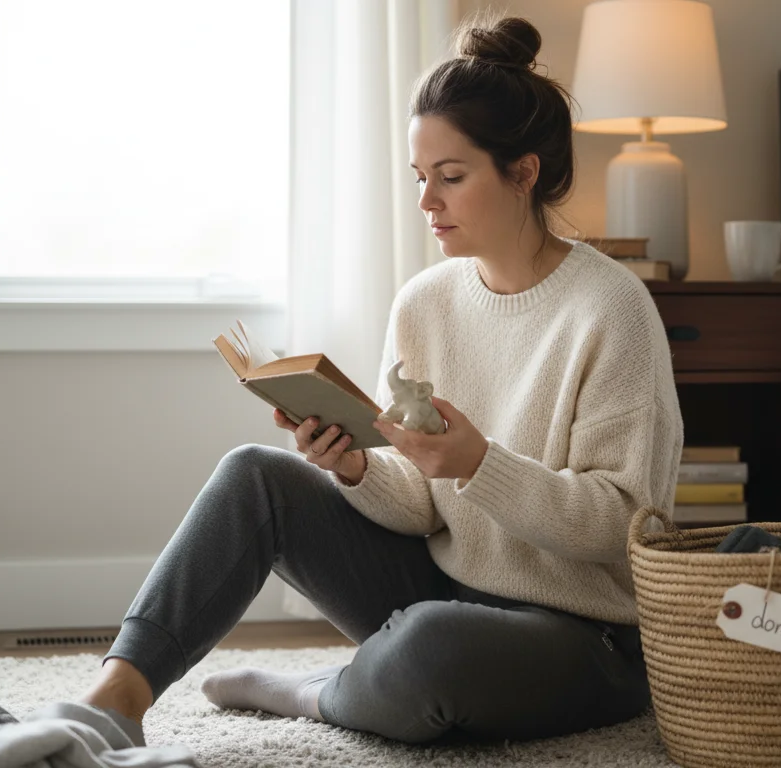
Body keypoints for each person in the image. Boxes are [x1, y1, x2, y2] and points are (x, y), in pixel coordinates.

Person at [80, 14, 683, 745]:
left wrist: (479, 464)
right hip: (439, 589)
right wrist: (359, 466)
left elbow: (625, 527)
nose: (427, 202)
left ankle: (316, 692)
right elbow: (421, 507)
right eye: (421, 178)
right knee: (254, 475)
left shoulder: (611, 308)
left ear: (522, 173)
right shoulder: (426, 302)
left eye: (451, 178)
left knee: (433, 647)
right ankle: (117, 695)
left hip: (584, 636)